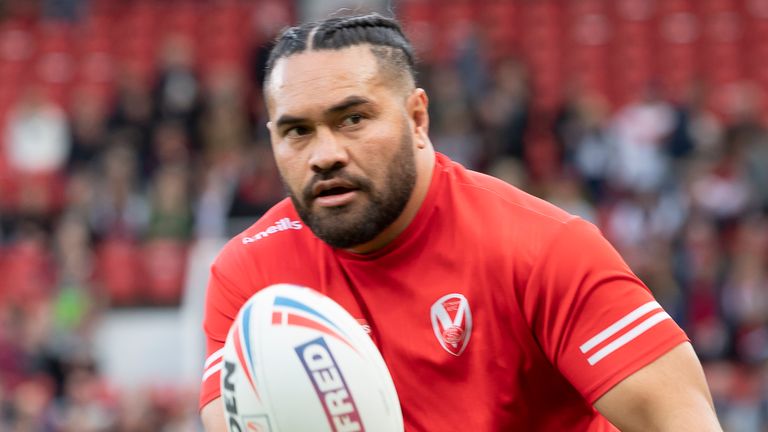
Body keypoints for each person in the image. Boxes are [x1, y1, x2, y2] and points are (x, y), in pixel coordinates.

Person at [200, 13, 722, 431]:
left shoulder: (543, 250)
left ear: (417, 118)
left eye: (352, 119)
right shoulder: (248, 275)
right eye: (297, 132)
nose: (325, 154)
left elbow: (680, 421)